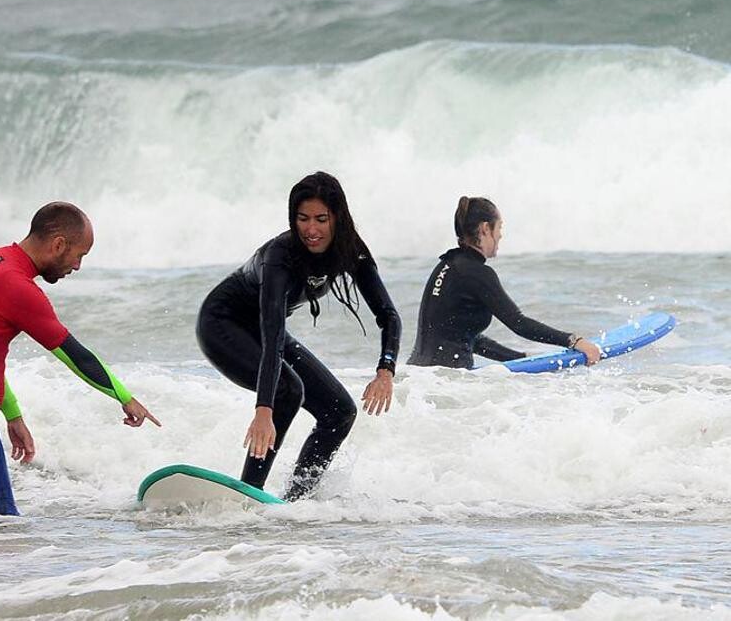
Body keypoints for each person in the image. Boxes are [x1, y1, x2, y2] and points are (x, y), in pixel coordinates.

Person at [0, 202, 160, 516]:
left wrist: (12, 413)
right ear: (58, 244)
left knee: (2, 530)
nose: (76, 266)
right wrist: (125, 398)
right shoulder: (17, 288)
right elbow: (78, 357)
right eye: (79, 255)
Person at [196, 172, 401, 501]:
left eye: (322, 219)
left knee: (339, 411)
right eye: (302, 219)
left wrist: (385, 370)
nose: (312, 229)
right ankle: (249, 493)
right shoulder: (281, 255)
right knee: (288, 390)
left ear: (338, 218)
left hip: (264, 332)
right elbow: (274, 333)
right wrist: (264, 409)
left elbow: (388, 315)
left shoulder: (351, 250)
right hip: (222, 323)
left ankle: (295, 499)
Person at [409, 196, 601, 369]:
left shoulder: (448, 266)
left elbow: (464, 338)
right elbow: (519, 323)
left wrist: (520, 358)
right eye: (499, 227)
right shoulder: (476, 273)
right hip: (449, 381)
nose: (500, 235)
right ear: (485, 229)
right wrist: (574, 341)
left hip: (422, 377)